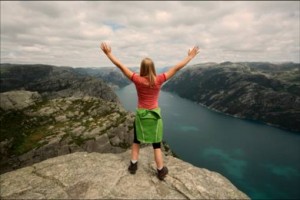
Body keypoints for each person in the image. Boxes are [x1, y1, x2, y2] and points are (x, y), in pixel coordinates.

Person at [100, 42, 200, 180]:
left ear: (142, 68)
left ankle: (133, 165)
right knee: (156, 145)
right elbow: (177, 68)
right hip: (154, 116)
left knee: (136, 141)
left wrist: (108, 53)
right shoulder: (159, 80)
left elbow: (121, 66)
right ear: (153, 68)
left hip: (141, 115)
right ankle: (160, 170)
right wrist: (190, 56)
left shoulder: (137, 79)